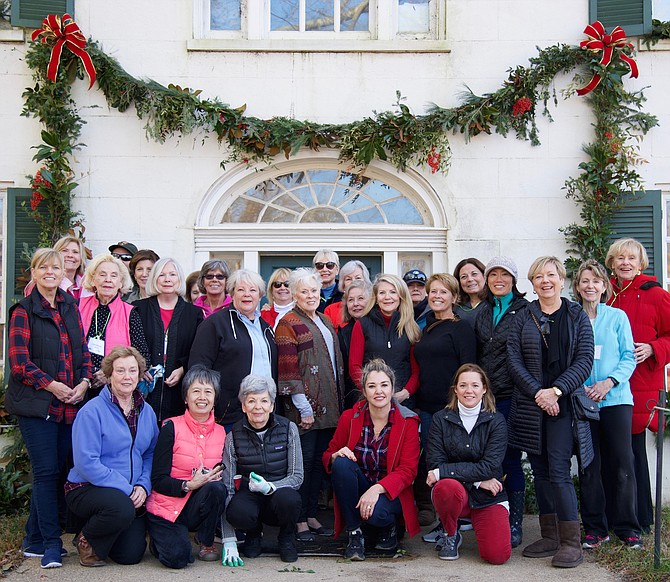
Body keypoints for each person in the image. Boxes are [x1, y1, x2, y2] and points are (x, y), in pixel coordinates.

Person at [7, 248, 93, 569]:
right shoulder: (23, 311)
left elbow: (82, 351)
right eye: (43, 267)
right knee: (45, 473)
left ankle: (33, 538)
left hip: (69, 404)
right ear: (35, 272)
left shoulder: (70, 306)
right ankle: (52, 546)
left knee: (58, 473)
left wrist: (83, 383)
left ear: (63, 274)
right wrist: (52, 385)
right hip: (37, 405)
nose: (50, 272)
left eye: (55, 268)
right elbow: (19, 363)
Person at [507, 256, 594, 569]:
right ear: (532, 283)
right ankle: (550, 536)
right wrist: (538, 394)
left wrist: (555, 391)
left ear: (561, 278)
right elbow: (513, 360)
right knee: (540, 471)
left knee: (558, 470)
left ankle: (572, 542)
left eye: (551, 275)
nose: (545, 281)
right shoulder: (523, 316)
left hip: (564, 404)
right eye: (538, 277)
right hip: (532, 406)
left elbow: (584, 361)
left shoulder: (576, 315)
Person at [66, 346, 159, 567]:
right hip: (86, 488)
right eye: (120, 371)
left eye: (132, 370)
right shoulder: (91, 411)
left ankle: (104, 534)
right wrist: (126, 489)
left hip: (130, 493)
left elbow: (150, 453)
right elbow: (86, 463)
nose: (127, 376)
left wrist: (142, 486)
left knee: (131, 555)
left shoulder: (147, 411)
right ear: (109, 375)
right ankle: (86, 538)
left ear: (139, 374)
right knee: (121, 508)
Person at [572, 259, 642, 549]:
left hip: (615, 400)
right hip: (583, 401)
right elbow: (566, 359)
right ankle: (594, 528)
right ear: (577, 287)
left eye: (596, 281)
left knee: (622, 463)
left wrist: (609, 382)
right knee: (589, 465)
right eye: (585, 281)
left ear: (605, 286)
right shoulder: (571, 317)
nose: (590, 286)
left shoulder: (617, 317)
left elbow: (629, 356)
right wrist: (579, 386)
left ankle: (627, 527)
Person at [323, 359, 420, 561]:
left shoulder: (408, 422)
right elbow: (328, 455)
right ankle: (354, 533)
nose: (379, 391)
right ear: (364, 391)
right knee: (341, 463)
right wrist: (335, 455)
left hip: (390, 492)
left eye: (384, 385)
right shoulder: (350, 417)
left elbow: (408, 470)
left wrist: (376, 489)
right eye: (372, 386)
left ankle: (389, 527)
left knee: (377, 515)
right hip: (359, 486)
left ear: (393, 389)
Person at [605, 238, 670, 535]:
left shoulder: (655, 294)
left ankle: (640, 518)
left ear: (641, 263)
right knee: (613, 452)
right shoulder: (606, 293)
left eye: (631, 258)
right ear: (612, 263)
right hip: (609, 386)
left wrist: (655, 348)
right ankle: (613, 517)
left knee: (632, 453)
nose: (625, 263)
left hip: (641, 383)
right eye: (619, 258)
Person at [275, 267, 344, 542]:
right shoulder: (287, 323)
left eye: (314, 290)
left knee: (319, 463)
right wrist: (303, 407)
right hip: (304, 408)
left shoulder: (326, 321)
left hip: (330, 407)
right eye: (304, 291)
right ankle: (299, 520)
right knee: (301, 464)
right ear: (294, 294)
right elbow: (289, 370)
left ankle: (312, 513)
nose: (310, 295)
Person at [426, 363, 511, 564]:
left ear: (484, 389)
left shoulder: (496, 421)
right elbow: (435, 462)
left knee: (497, 556)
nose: (469, 391)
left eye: (474, 385)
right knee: (445, 486)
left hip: (488, 495)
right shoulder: (440, 419)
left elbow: (490, 467)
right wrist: (477, 481)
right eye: (463, 385)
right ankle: (450, 533)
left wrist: (443, 472)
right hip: (457, 493)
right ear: (455, 389)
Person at [146, 365, 228, 568]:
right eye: (196, 391)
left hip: (196, 506)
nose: (202, 397)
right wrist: (188, 485)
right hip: (167, 506)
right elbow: (158, 480)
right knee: (178, 559)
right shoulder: (170, 427)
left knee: (217, 488)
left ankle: (205, 540)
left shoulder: (222, 433)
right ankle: (159, 541)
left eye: (208, 391)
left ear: (215, 398)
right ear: (185, 397)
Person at [413, 273, 476, 528]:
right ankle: (444, 519)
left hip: (450, 408)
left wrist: (460, 404)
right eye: (433, 291)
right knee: (433, 462)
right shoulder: (427, 325)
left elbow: (469, 368)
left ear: (454, 297)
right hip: (426, 408)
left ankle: (455, 521)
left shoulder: (461, 328)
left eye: (443, 292)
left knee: (451, 465)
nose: (437, 296)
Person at [474, 256, 529, 547]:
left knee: (509, 457)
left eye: (504, 274)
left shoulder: (524, 310)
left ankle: (515, 522)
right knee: (486, 459)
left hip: (512, 395)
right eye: (492, 274)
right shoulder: (482, 311)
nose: (498, 279)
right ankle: (491, 515)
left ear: (513, 279)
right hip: (485, 398)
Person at [222, 375, 303, 564]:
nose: (258, 407)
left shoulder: (288, 428)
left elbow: (297, 477)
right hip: (249, 496)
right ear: (243, 406)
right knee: (237, 510)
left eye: (264, 401)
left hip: (279, 495)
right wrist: (229, 539)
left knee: (290, 499)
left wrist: (271, 487)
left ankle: (287, 537)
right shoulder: (233, 436)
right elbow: (227, 486)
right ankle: (253, 534)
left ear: (272, 405)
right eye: (251, 401)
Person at [189, 269, 277, 430]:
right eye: (241, 290)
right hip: (230, 414)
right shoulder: (215, 323)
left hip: (262, 412)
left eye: (252, 290)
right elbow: (199, 368)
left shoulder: (266, 328)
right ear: (232, 293)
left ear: (260, 295)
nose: (247, 295)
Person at [133, 258, 203, 424]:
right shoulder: (138, 309)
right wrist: (141, 367)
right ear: (154, 279)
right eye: (162, 275)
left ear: (179, 279)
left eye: (172, 274)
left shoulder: (194, 314)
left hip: (178, 392)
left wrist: (183, 368)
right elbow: (131, 344)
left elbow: (198, 350)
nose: (167, 279)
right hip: (144, 387)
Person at [79, 254, 149, 397]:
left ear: (121, 282)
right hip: (79, 384)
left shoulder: (130, 313)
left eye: (114, 276)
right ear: (93, 279)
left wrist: (109, 374)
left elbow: (143, 357)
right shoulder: (77, 306)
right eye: (102, 275)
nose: (108, 280)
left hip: (115, 388)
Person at [349, 274, 421, 408]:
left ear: (401, 296)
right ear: (376, 298)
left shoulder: (411, 327)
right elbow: (354, 367)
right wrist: (372, 392)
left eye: (393, 292)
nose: (387, 297)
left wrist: (406, 393)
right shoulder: (362, 325)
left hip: (403, 402)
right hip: (371, 401)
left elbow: (416, 370)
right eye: (382, 293)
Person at [337, 280, 373, 409]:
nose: (356, 304)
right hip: (353, 397)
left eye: (361, 298)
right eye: (351, 300)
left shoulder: (381, 328)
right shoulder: (342, 333)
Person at [23, 235, 87, 300]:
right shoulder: (41, 283)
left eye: (75, 252)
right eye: (65, 250)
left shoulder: (88, 285)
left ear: (81, 258)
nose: (70, 255)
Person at [324, 260, 371, 329]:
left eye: (358, 278)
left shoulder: (373, 308)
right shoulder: (331, 310)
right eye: (348, 279)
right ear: (343, 285)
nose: (353, 282)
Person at [453, 258, 487, 327]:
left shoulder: (495, 302)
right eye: (464, 277)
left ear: (484, 276)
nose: (470, 279)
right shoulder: (455, 307)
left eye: (474, 274)